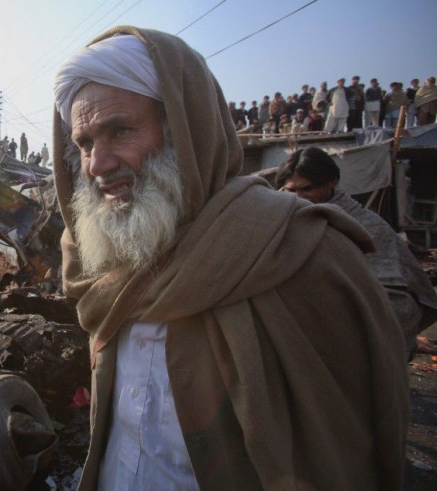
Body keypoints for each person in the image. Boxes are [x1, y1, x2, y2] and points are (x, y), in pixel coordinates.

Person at [53, 27, 408, 489]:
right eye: (83, 144)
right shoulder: (99, 264)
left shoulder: (302, 252)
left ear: (186, 129)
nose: (97, 163)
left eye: (119, 130)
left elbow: (350, 444)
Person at [275, 147, 437, 359]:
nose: (299, 198)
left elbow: (397, 298)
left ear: (331, 182)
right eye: (290, 190)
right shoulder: (279, 217)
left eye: (308, 189)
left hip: (357, 321)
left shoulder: (366, 225)